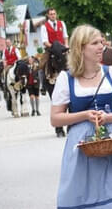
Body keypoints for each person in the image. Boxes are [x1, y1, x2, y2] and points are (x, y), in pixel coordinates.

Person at [51, 24, 112, 209]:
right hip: (81, 147)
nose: (101, 47)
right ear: (81, 48)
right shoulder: (66, 78)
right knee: (81, 197)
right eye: (95, 43)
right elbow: (55, 118)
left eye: (102, 42)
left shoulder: (111, 73)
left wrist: (108, 117)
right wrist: (83, 115)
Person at [40, 8, 69, 137]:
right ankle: (42, 83)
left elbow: (66, 37)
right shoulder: (44, 26)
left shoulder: (62, 24)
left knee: (75, 61)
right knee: (41, 65)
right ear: (48, 15)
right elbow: (45, 41)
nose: (53, 15)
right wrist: (54, 48)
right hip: (51, 49)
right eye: (51, 14)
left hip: (62, 49)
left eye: (54, 13)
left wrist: (65, 48)